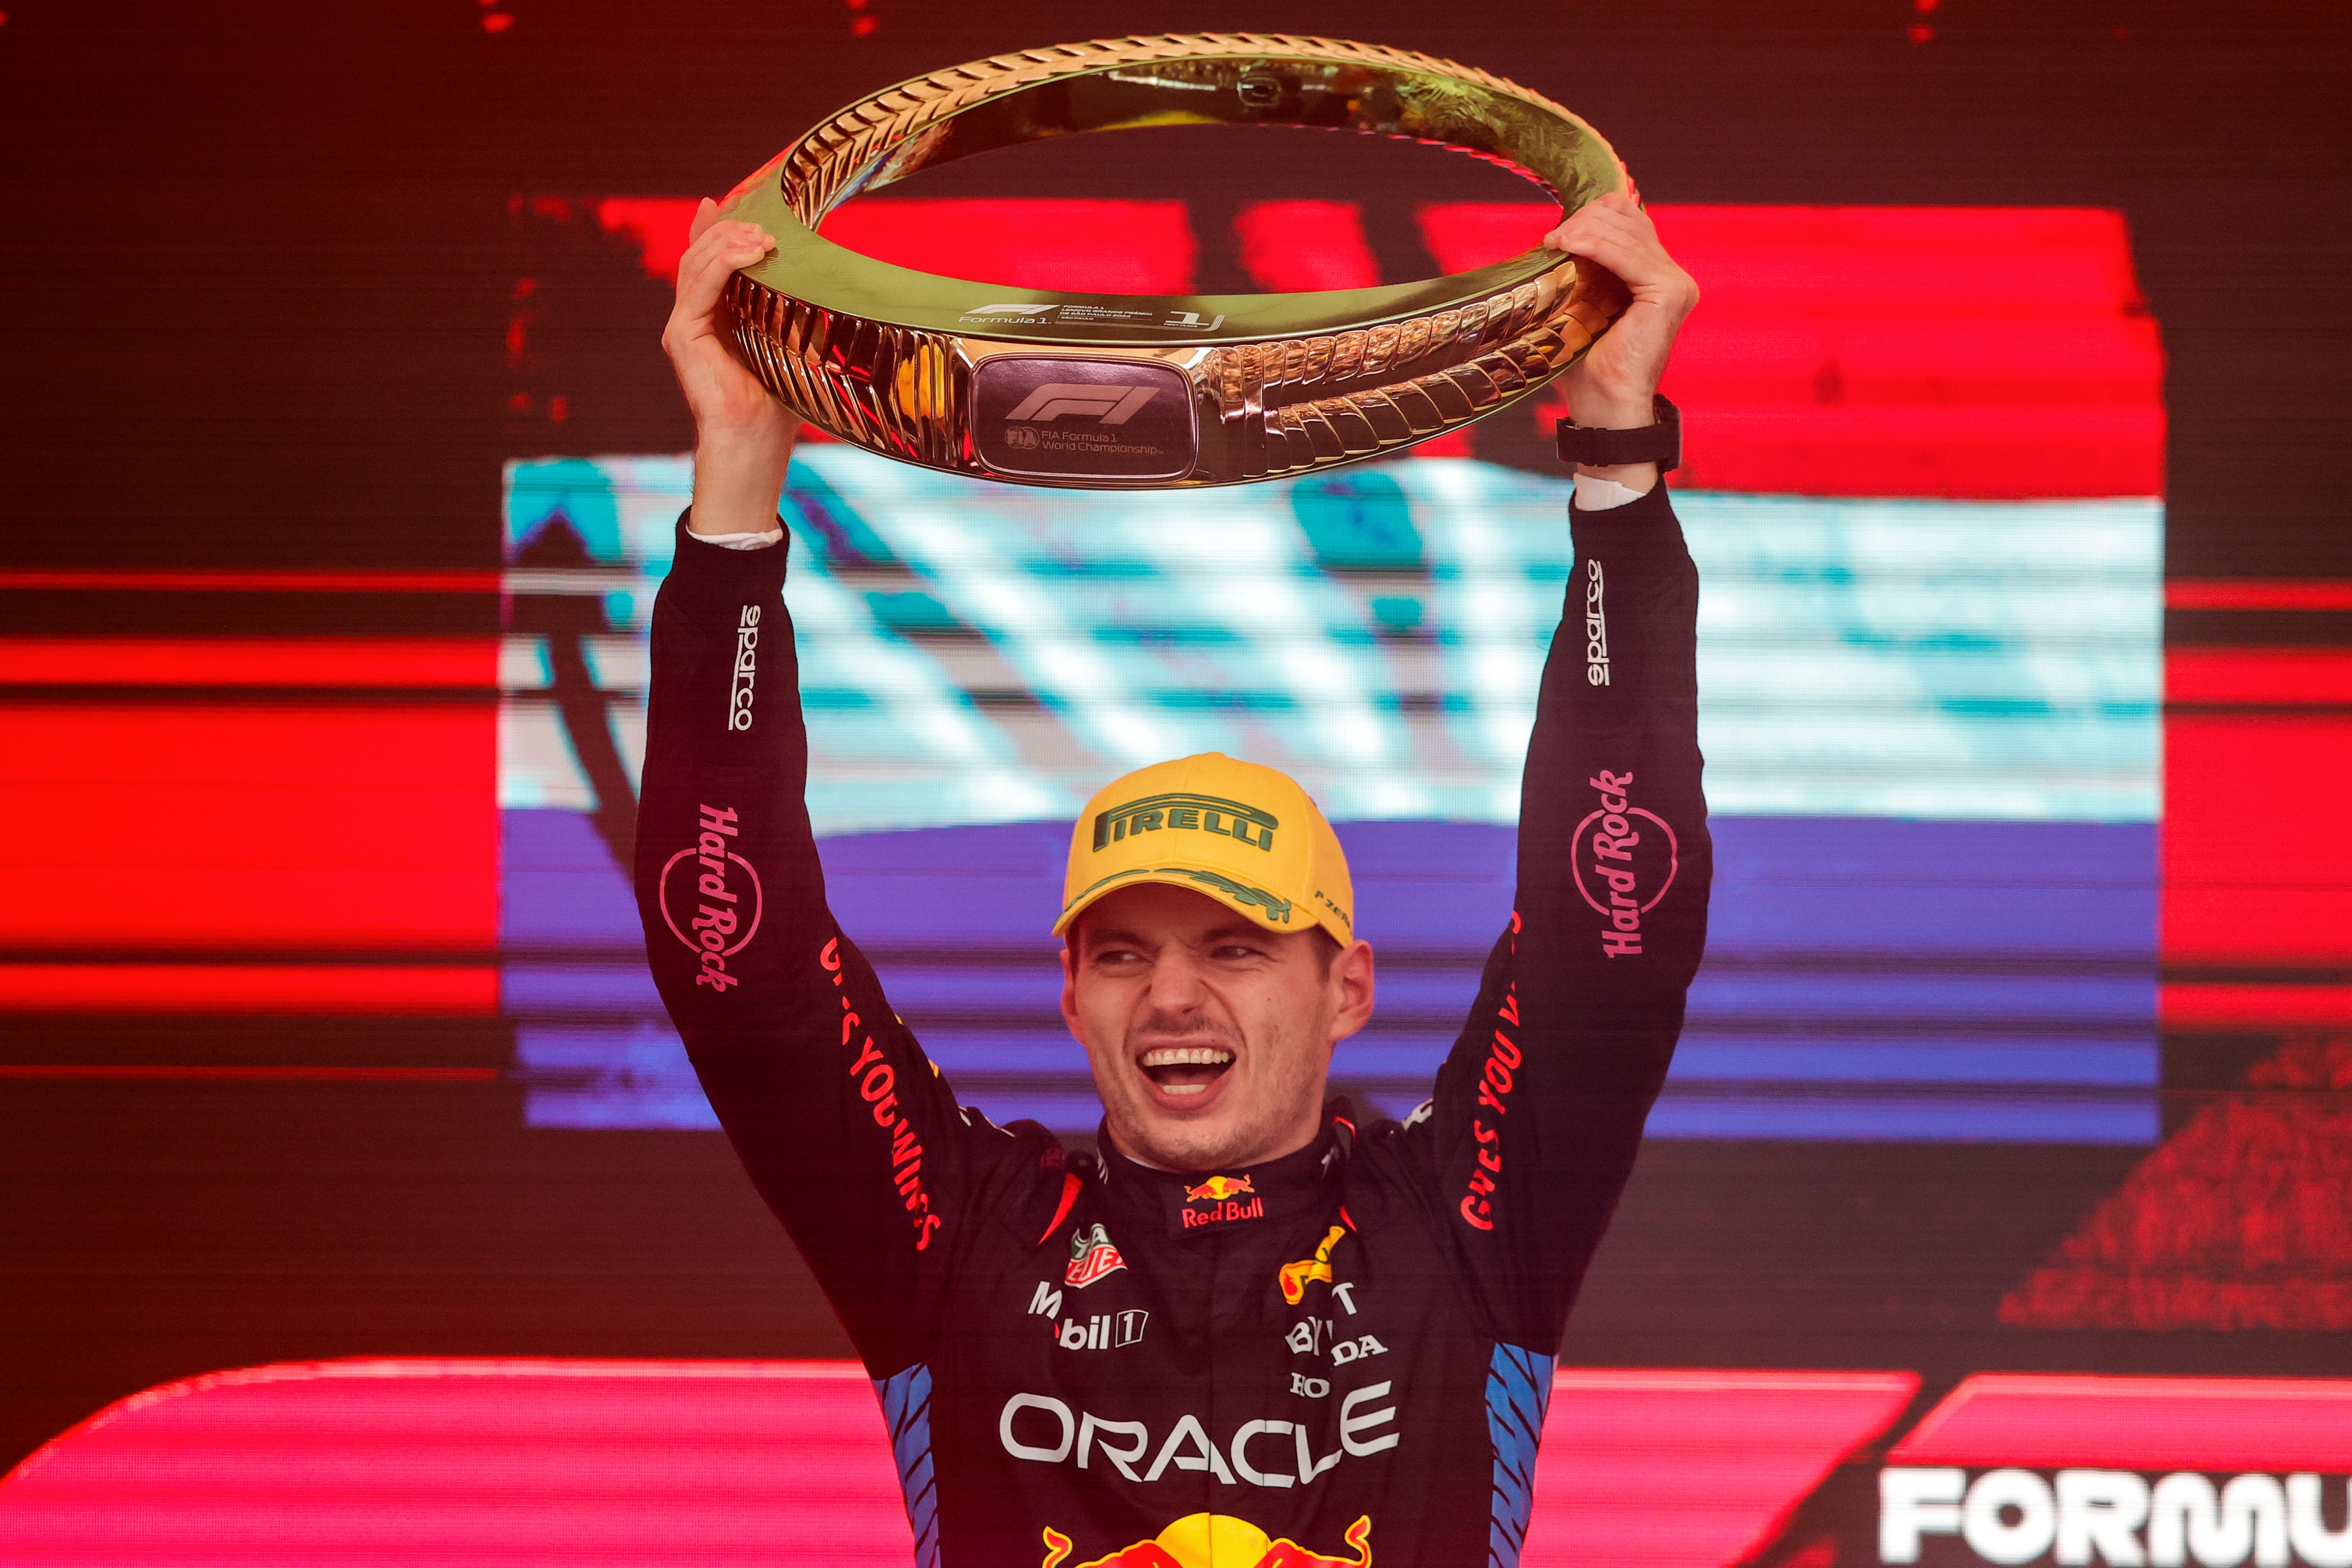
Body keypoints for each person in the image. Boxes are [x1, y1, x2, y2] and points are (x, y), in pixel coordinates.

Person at [637, 191, 1709, 1567]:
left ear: (1348, 987)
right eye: (1125, 951)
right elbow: (737, 962)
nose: (1174, 997)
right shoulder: (962, 1237)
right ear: (1070, 992)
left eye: (1241, 944)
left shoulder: (1461, 1225)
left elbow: (1614, 915)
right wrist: (735, 484)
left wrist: (1617, 453)